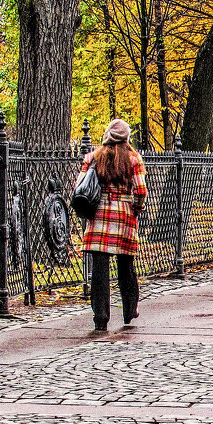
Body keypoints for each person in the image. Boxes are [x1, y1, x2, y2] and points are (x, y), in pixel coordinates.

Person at [79, 119, 148, 331]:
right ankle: (129, 310)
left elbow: (80, 186)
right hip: (124, 216)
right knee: (126, 267)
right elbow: (141, 191)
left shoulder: (92, 158)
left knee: (99, 270)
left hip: (99, 216)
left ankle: (100, 316)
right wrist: (136, 208)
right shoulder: (133, 159)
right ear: (126, 138)